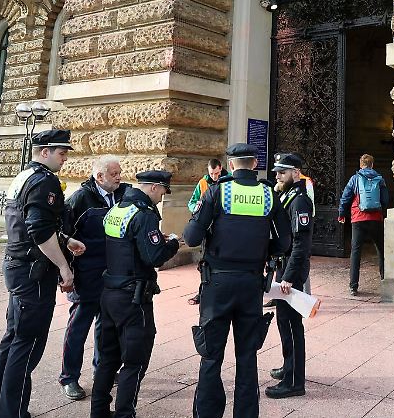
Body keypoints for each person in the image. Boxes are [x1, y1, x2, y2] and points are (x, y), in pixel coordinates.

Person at [184, 143, 292, 418]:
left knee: (211, 357)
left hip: (217, 284)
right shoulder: (268, 193)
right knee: (247, 357)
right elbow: (284, 242)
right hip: (251, 284)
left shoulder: (217, 191)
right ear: (255, 164)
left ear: (231, 164)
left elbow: (192, 237)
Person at [0, 130, 83, 418]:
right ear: (45, 152)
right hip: (33, 273)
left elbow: (29, 223)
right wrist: (64, 267)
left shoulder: (23, 177)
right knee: (26, 346)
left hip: (17, 267)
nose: (64, 159)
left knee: (12, 340)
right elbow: (39, 230)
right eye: (61, 153)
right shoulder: (45, 181)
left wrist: (65, 240)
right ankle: (12, 413)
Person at [90, 170, 180, 418]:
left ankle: (98, 411)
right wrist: (172, 243)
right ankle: (124, 413)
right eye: (163, 191)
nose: (162, 196)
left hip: (109, 294)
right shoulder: (144, 215)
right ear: (153, 187)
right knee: (134, 361)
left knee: (108, 358)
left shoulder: (118, 208)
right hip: (134, 298)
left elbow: (124, 245)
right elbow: (154, 256)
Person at [58, 155, 131, 401]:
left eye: (119, 172)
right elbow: (62, 236)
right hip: (86, 277)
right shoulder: (80, 199)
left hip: (112, 276)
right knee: (78, 328)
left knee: (107, 328)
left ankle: (103, 371)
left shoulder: (123, 196)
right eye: (114, 174)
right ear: (99, 177)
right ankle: (69, 378)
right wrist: (65, 272)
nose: (119, 177)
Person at [266, 153, 314, 399]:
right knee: (283, 321)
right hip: (283, 267)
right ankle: (289, 366)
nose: (277, 176)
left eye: (282, 172)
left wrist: (289, 277)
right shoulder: (286, 195)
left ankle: (295, 382)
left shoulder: (300, 201)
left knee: (293, 324)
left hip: (291, 271)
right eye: (276, 172)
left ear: (296, 173)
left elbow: (300, 243)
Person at [338, 153, 389, 297]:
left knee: (355, 252)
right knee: (381, 250)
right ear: (372, 165)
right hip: (375, 219)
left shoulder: (355, 179)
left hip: (358, 219)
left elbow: (345, 198)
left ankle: (353, 286)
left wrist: (342, 214)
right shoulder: (380, 179)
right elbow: (385, 200)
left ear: (361, 165)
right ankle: (384, 279)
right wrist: (380, 211)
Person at [187, 158, 228, 306]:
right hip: (206, 228)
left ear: (221, 168)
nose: (214, 177)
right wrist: (197, 209)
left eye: (217, 173)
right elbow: (191, 203)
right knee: (204, 262)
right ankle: (203, 292)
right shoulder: (203, 183)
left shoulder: (227, 182)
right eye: (212, 174)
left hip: (223, 229)